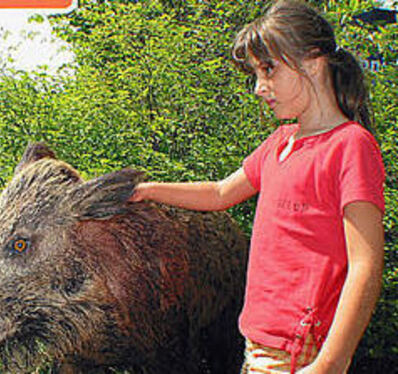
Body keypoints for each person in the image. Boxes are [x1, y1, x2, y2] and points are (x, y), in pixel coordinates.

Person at [129, 1, 385, 373]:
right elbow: (219, 193)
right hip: (258, 343)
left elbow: (366, 264)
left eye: (269, 70)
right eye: (254, 73)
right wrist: (148, 190)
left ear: (313, 63)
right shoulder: (281, 142)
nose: (259, 88)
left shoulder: (350, 145)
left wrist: (331, 360)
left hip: (302, 353)